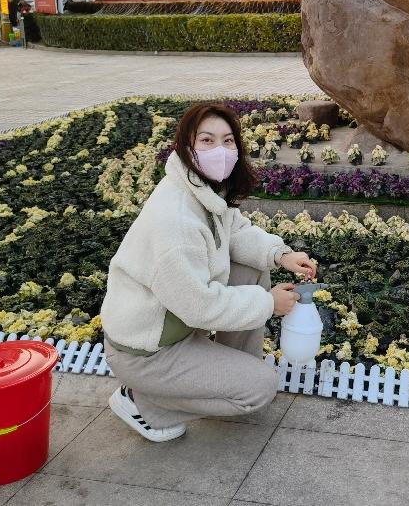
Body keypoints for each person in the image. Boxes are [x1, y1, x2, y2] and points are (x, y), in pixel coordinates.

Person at [100, 102, 317, 443]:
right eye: (207, 140)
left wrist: (281, 255)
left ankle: (229, 374)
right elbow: (198, 305)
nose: (220, 150)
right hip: (147, 353)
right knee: (260, 389)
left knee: (252, 268)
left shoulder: (202, 188)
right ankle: (142, 403)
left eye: (228, 141)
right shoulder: (175, 220)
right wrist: (268, 303)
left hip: (176, 325)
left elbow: (235, 232)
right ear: (186, 147)